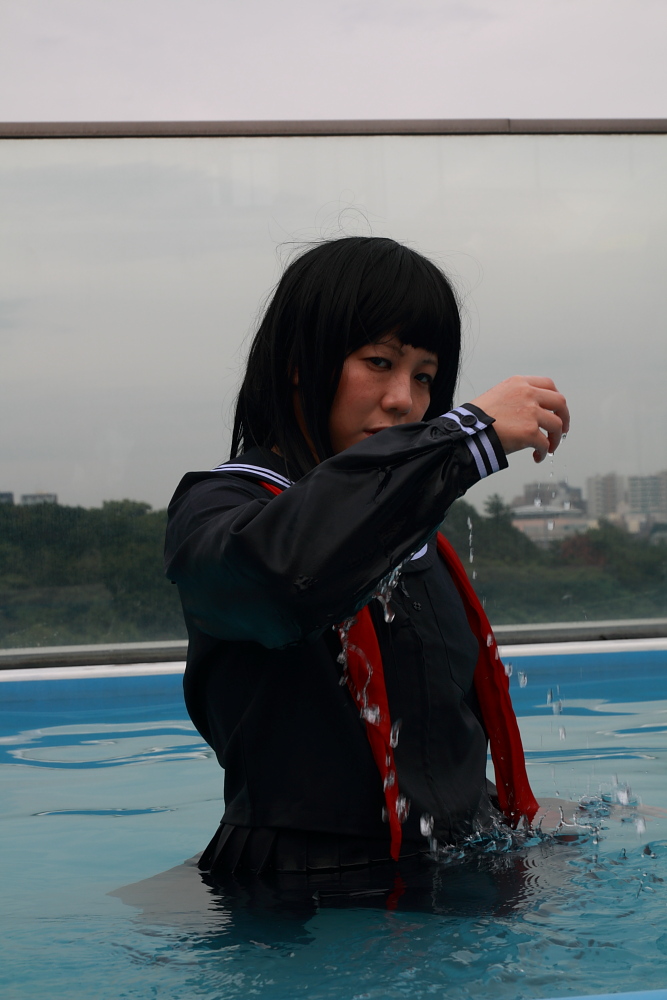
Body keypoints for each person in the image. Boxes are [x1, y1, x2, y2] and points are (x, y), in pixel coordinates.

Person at [164, 236, 570, 903]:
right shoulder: (218, 509)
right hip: (301, 899)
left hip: (454, 870)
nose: (404, 400)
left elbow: (441, 756)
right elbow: (281, 580)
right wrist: (460, 440)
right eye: (378, 363)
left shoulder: (409, 528)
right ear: (299, 364)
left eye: (424, 376)